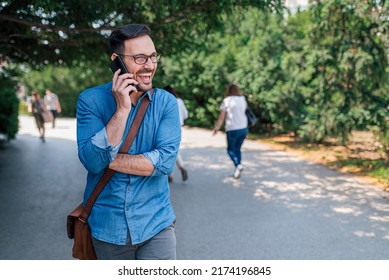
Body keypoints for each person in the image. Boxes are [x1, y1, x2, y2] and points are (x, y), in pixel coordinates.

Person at [76, 24, 181, 260]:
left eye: (153, 57)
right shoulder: (90, 101)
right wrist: (122, 109)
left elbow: (164, 163)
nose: (150, 66)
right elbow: (92, 163)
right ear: (117, 61)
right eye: (140, 58)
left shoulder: (166, 104)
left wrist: (107, 158)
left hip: (157, 225)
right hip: (107, 229)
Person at [212, 83, 248, 179]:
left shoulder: (227, 100)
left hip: (232, 129)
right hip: (243, 128)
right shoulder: (242, 99)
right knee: (237, 149)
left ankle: (238, 165)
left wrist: (217, 128)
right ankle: (237, 170)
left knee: (230, 150)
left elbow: (221, 117)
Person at [164, 85, 189, 183]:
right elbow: (186, 115)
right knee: (174, 148)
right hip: (179, 127)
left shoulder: (165, 99)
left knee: (169, 149)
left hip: (168, 126)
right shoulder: (180, 101)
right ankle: (181, 168)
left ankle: (170, 174)